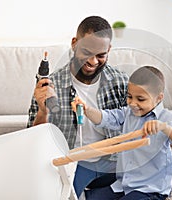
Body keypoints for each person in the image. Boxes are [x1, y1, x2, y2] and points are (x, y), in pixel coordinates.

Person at [27, 16, 129, 198]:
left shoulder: (120, 82)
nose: (93, 61)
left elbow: (139, 121)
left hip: (112, 164)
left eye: (101, 55)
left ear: (109, 50)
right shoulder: (51, 85)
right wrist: (43, 111)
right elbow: (32, 140)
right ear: (74, 43)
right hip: (74, 166)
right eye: (87, 52)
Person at [72, 66, 172, 200]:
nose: (133, 103)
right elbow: (105, 118)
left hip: (150, 189)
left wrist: (165, 128)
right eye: (129, 97)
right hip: (123, 184)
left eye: (140, 99)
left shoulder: (166, 118)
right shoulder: (128, 113)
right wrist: (87, 109)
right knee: (86, 198)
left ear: (159, 98)